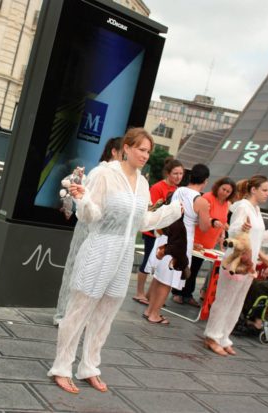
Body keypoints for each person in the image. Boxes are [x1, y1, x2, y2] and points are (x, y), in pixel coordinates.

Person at [48, 128, 183, 394]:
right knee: (79, 310)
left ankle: (89, 367)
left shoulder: (143, 183)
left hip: (124, 255)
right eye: (141, 149)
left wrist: (170, 212)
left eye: (148, 151)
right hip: (99, 247)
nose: (145, 155)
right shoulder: (104, 174)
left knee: (106, 314)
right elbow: (91, 215)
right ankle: (62, 368)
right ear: (127, 147)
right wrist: (82, 200)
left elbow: (141, 221)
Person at [203, 175, 268, 356]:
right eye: (264, 190)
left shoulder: (255, 209)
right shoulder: (243, 207)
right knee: (225, 300)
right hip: (236, 261)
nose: (267, 194)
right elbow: (233, 231)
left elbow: (257, 236)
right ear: (253, 190)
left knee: (237, 302)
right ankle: (212, 336)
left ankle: (224, 337)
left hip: (249, 264)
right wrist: (242, 229)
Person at [53, 137, 123, 326]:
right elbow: (84, 201)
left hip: (104, 231)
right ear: (114, 152)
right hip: (87, 225)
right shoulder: (99, 172)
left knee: (91, 273)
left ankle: (77, 317)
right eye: (124, 153)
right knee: (75, 267)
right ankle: (62, 315)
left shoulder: (121, 177)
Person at [144, 164, 212, 324]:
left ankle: (149, 310)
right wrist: (209, 217)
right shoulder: (201, 200)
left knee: (159, 276)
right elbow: (204, 226)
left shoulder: (178, 191)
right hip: (181, 240)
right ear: (205, 180)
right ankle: (154, 314)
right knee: (168, 279)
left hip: (167, 234)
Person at [132, 158, 184, 305]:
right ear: (168, 173)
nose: (178, 177)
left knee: (161, 263)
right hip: (153, 231)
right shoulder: (157, 187)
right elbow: (151, 210)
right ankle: (139, 292)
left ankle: (151, 294)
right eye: (175, 173)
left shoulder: (178, 190)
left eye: (181, 173)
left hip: (168, 233)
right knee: (148, 261)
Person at [178, 177, 235, 307]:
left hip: (209, 241)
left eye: (228, 191)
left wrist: (222, 234)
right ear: (218, 187)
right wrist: (213, 222)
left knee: (195, 268)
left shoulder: (226, 204)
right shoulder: (208, 197)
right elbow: (202, 216)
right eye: (223, 189)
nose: (225, 193)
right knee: (188, 266)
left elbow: (223, 220)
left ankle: (186, 293)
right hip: (198, 238)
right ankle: (181, 293)